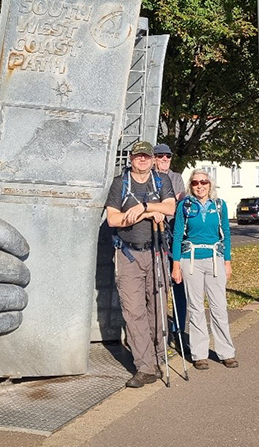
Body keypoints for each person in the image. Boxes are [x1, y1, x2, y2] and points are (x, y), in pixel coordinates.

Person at [105, 140, 176, 388]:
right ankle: (145, 367)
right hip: (128, 255)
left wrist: (144, 208)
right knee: (134, 312)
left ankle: (158, 358)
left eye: (147, 156)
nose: (143, 160)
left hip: (156, 252)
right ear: (131, 159)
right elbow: (113, 219)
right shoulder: (119, 184)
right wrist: (146, 214)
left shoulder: (161, 181)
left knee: (156, 309)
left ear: (152, 159)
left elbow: (170, 207)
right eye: (138, 157)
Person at [171, 169, 238, 370]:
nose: (200, 186)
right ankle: (199, 353)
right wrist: (176, 265)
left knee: (219, 307)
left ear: (210, 185)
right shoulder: (185, 206)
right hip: (190, 260)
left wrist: (227, 261)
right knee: (195, 307)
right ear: (190, 186)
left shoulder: (219, 205)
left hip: (214, 258)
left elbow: (225, 232)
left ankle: (226, 351)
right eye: (195, 183)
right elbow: (176, 235)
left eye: (204, 182)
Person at [153, 143, 188, 343]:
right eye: (160, 156)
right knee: (158, 284)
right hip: (155, 236)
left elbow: (178, 205)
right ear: (154, 158)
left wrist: (165, 205)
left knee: (178, 282)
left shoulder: (175, 177)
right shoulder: (148, 177)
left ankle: (178, 329)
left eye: (168, 156)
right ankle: (160, 330)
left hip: (174, 236)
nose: (165, 159)